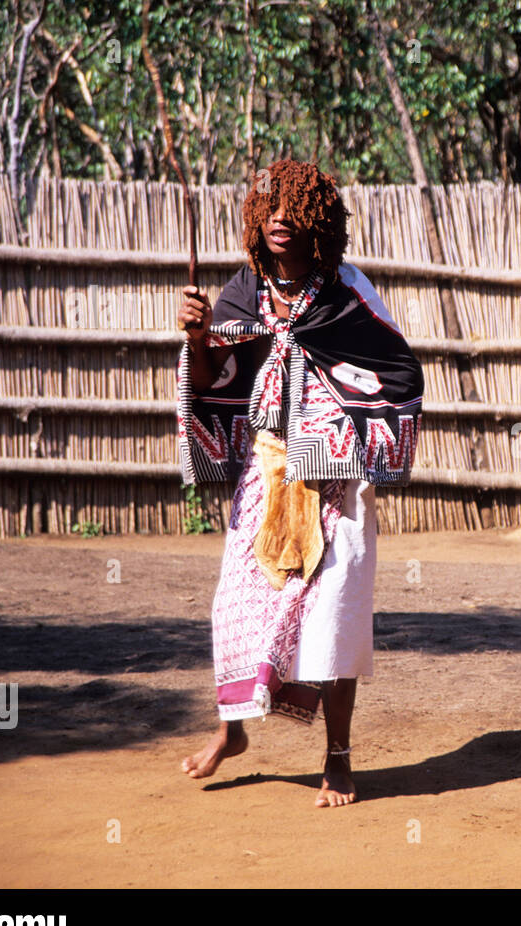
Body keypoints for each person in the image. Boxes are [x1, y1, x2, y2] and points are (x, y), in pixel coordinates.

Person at [177, 159, 424, 806]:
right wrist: (201, 337)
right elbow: (208, 383)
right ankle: (231, 732)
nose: (282, 218)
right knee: (235, 610)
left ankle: (338, 759)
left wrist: (343, 436)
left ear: (320, 220)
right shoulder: (243, 293)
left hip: (335, 481)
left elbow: (396, 372)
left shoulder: (347, 294)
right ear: (256, 220)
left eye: (296, 208)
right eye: (271, 208)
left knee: (334, 620)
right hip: (267, 473)